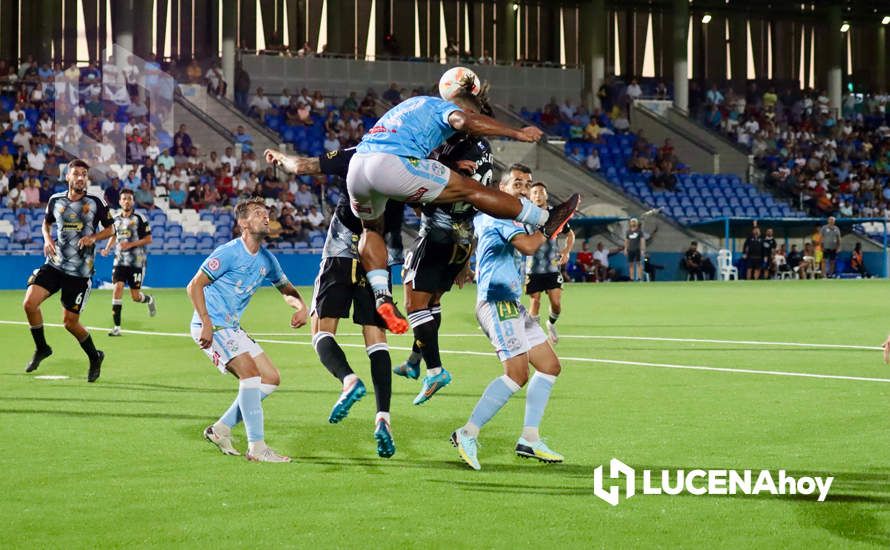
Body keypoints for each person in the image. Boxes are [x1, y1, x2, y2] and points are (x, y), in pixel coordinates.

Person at [267, 70, 579, 334]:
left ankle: (381, 296)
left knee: (371, 229)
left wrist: (282, 158)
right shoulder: (439, 108)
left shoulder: (404, 110)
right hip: (392, 164)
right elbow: (463, 122)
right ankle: (543, 219)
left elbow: (306, 165)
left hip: (360, 165)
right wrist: (517, 133)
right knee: (469, 188)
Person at [450, 169, 564, 471]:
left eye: (527, 185)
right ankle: (467, 433)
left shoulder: (505, 216)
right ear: (501, 188)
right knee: (516, 373)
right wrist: (551, 227)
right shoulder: (498, 214)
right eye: (517, 184)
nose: (524, 189)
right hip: (496, 302)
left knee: (550, 366)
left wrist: (465, 264)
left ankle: (529, 438)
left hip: (512, 303)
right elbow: (528, 246)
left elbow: (475, 234)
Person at [187, 197, 309, 462]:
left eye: (267, 213)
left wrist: (300, 306)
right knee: (250, 375)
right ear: (243, 223)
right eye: (257, 213)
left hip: (231, 326)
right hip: (212, 325)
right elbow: (194, 285)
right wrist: (206, 322)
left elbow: (286, 289)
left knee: (270, 378)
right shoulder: (229, 252)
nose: (266, 217)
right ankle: (257, 447)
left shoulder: (267, 259)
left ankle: (220, 429)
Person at [395, 133, 495, 404]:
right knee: (432, 302)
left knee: (414, 305)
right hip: (464, 239)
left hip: (436, 236)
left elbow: (420, 189)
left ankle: (435, 371)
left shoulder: (448, 149)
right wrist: (467, 262)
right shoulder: (485, 149)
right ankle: (414, 361)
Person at [22, 159, 113, 381]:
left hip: (80, 272)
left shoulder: (95, 202)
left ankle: (94, 356)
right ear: (68, 177)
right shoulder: (55, 200)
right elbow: (46, 224)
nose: (81, 177)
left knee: (70, 323)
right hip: (54, 264)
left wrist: (93, 237)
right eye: (76, 174)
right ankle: (42, 347)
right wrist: (47, 238)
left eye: (84, 174)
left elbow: (111, 230)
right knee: (29, 304)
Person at [100, 189, 157, 337]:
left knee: (135, 297)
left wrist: (130, 245)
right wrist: (107, 248)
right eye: (124, 198)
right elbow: (114, 235)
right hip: (119, 261)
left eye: (129, 199)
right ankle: (117, 327)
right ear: (120, 201)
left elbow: (149, 239)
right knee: (117, 288)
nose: (126, 201)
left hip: (136, 262)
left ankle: (149, 299)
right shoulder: (116, 219)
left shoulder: (140, 218)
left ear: (133, 201)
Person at [526, 182, 574, 344]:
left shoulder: (555, 214)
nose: (538, 195)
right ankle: (535, 338)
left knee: (556, 303)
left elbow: (570, 234)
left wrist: (566, 251)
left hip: (552, 265)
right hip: (531, 267)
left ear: (546, 195)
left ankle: (551, 323)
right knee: (535, 300)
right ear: (530, 196)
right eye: (534, 193)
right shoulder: (526, 213)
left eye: (541, 192)